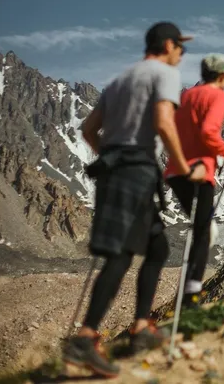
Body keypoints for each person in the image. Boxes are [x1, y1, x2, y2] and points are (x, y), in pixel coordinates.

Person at [62, 21, 203, 377]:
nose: (183, 54)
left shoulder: (121, 79)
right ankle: (86, 338)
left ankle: (140, 327)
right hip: (137, 170)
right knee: (123, 255)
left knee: (155, 248)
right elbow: (163, 123)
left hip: (116, 170)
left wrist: (111, 155)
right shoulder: (164, 74)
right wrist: (184, 169)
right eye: (180, 47)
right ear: (168, 45)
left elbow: (88, 130)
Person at [164, 53, 224, 309]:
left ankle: (189, 293)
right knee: (205, 231)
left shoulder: (185, 97)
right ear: (222, 76)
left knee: (202, 229)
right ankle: (191, 296)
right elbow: (209, 132)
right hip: (200, 172)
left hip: (175, 172)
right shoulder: (218, 95)